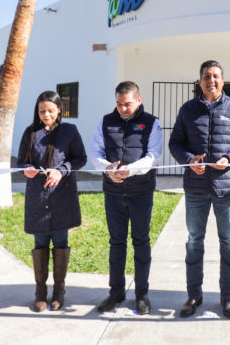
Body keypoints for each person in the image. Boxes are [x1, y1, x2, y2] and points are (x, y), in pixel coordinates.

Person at [169, 60, 230, 319]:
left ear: (223, 80)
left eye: (216, 76)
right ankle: (194, 295)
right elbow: (175, 143)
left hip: (226, 189)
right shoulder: (187, 110)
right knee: (194, 241)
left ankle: (227, 297)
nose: (211, 80)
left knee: (228, 241)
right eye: (207, 76)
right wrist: (188, 159)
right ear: (200, 81)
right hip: (195, 188)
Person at [91, 81, 163, 315]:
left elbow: (154, 155)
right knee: (116, 242)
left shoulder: (152, 123)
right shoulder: (105, 121)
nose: (122, 109)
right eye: (119, 104)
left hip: (141, 192)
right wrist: (107, 168)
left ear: (139, 100)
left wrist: (130, 169)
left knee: (141, 242)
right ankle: (116, 292)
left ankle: (142, 294)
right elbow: (95, 152)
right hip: (113, 193)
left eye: (128, 104)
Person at [17, 90, 87, 312]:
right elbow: (22, 161)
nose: (45, 115)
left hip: (61, 195)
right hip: (38, 196)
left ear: (59, 111)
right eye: (41, 111)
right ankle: (40, 292)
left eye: (50, 111)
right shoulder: (30, 132)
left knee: (60, 241)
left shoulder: (69, 131)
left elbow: (80, 158)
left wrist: (62, 170)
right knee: (40, 243)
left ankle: (58, 291)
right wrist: (25, 169)